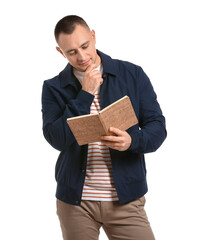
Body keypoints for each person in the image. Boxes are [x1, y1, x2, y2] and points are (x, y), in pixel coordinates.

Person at [41, 15, 167, 240]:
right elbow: (56, 139)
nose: (81, 57)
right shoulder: (53, 87)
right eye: (71, 52)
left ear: (93, 36)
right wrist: (85, 94)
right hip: (75, 203)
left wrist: (132, 141)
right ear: (61, 52)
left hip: (126, 199)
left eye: (85, 46)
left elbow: (158, 128)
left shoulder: (132, 74)